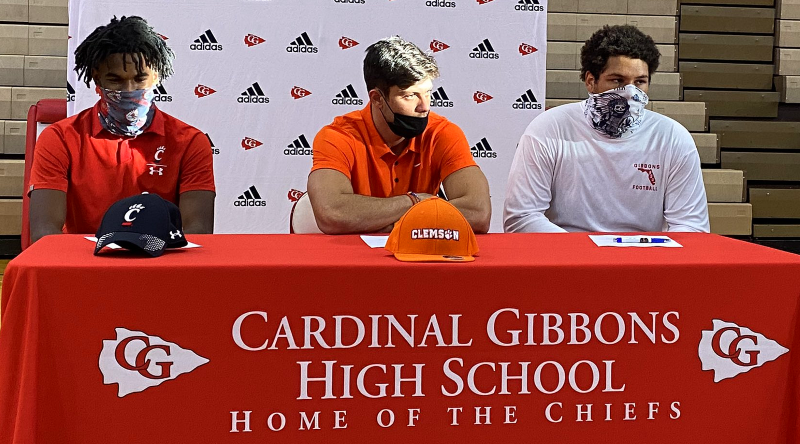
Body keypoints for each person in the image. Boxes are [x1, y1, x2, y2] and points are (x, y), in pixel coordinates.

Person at [503, 25, 709, 233]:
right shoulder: (549, 128)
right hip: (569, 258)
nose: (630, 93)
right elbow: (521, 217)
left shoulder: (673, 138)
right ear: (591, 81)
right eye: (617, 80)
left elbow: (692, 226)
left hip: (643, 258)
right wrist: (588, 254)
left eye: (640, 82)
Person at [29, 16, 215, 243]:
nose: (129, 90)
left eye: (140, 79)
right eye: (115, 80)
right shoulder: (59, 138)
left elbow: (198, 231)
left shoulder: (190, 141)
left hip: (160, 264)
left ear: (157, 76)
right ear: (96, 78)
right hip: (84, 266)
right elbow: (43, 233)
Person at [307, 36, 491, 234]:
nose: (424, 107)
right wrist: (416, 201)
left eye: (428, 93)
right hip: (355, 258)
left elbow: (478, 213)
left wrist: (388, 223)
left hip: (421, 258)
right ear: (377, 98)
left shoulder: (442, 133)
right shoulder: (337, 137)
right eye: (410, 95)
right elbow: (332, 214)